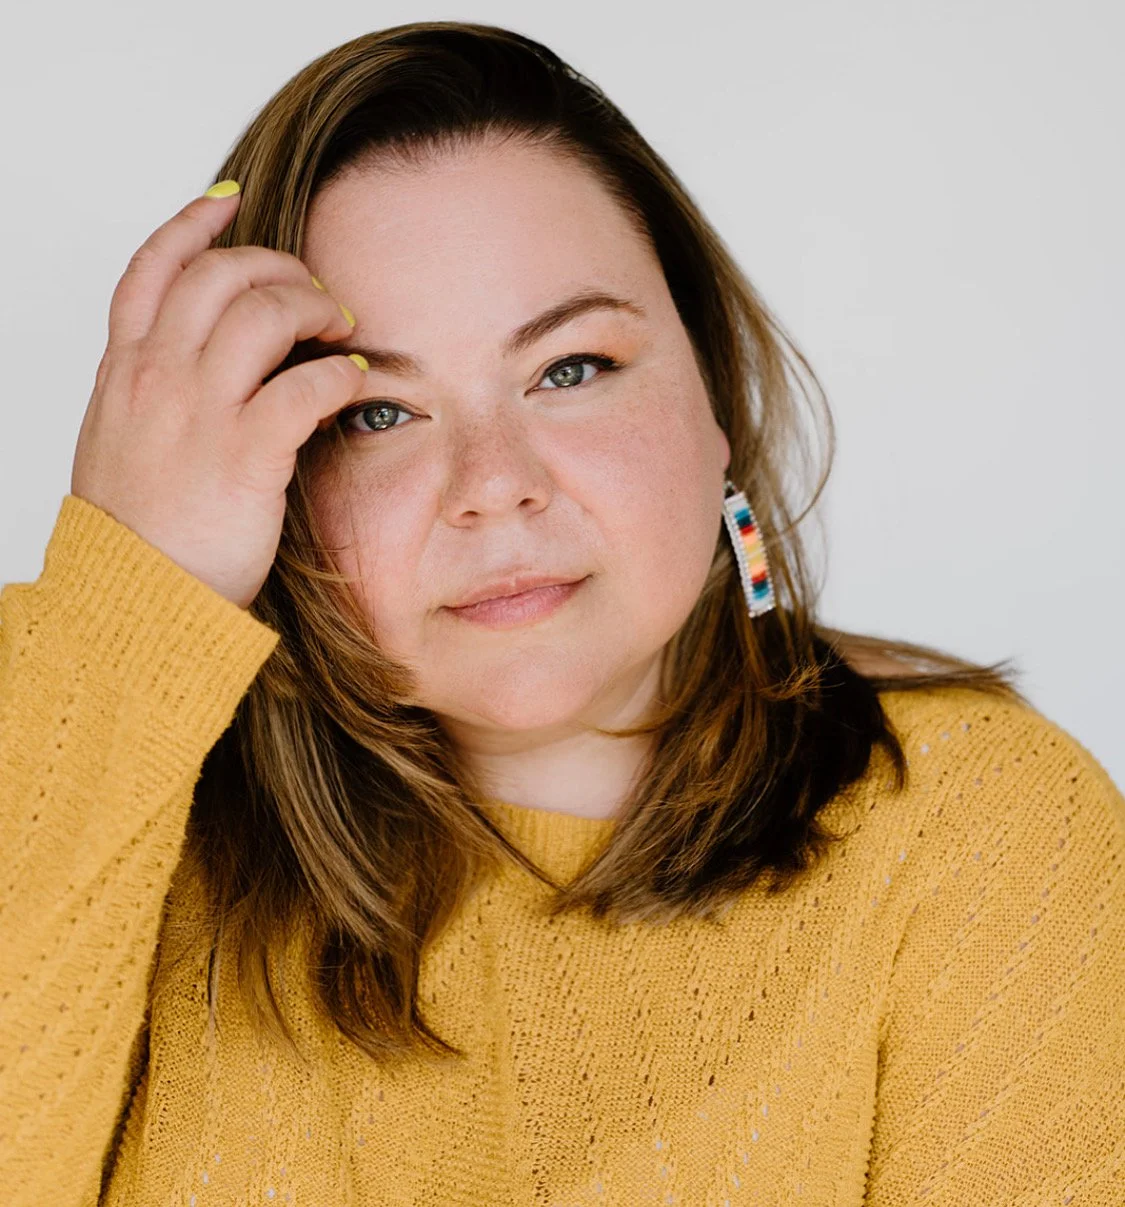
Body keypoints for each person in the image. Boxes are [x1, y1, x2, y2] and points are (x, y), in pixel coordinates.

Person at [2, 20, 1122, 1207]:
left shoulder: (980, 827)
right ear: (265, 464)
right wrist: (133, 592)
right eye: (375, 413)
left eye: (571, 369)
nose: (494, 485)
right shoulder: (84, 774)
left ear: (712, 393)